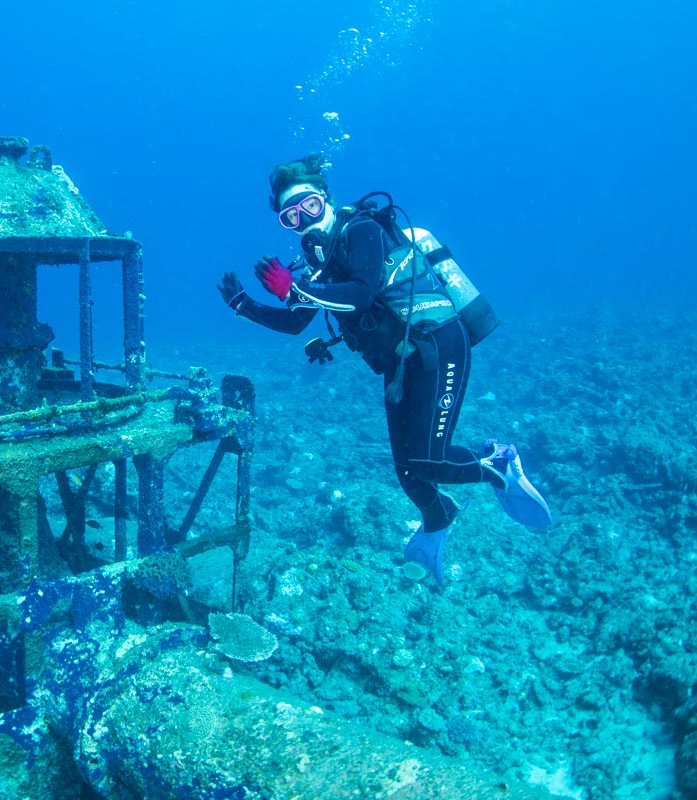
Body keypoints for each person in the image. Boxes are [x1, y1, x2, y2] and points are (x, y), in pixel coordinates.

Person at [217, 153, 551, 584]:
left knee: (428, 460)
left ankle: (499, 464)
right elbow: (295, 322)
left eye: (311, 207)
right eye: (292, 217)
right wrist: (244, 306)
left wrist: (296, 287)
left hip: (439, 344)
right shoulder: (322, 264)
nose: (305, 221)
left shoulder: (361, 231)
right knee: (408, 469)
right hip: (400, 363)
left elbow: (358, 294)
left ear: (326, 199)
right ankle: (438, 517)